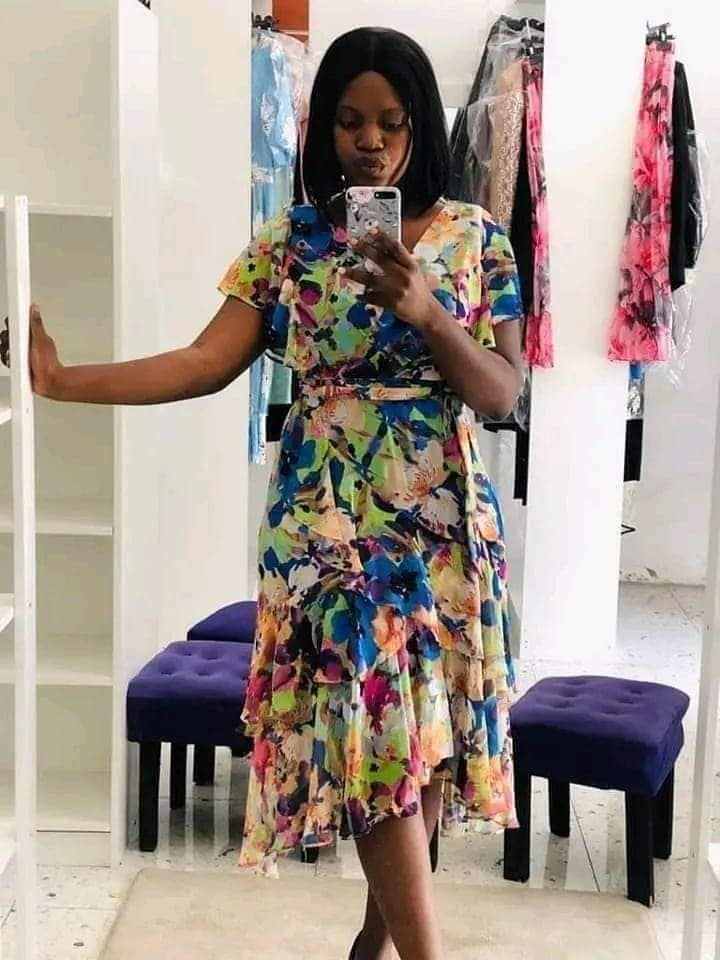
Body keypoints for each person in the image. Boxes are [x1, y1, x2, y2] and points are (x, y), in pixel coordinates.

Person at [28, 26, 523, 960]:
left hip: (443, 526)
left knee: (419, 739)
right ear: (322, 128)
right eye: (348, 121)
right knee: (375, 726)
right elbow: (202, 362)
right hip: (325, 527)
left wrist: (426, 311)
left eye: (389, 122)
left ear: (420, 125)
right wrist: (63, 381)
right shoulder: (291, 241)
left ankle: (371, 947)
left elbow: (501, 393)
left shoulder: (477, 238)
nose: (368, 141)